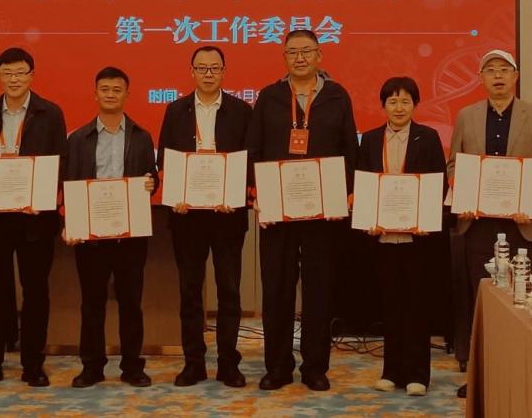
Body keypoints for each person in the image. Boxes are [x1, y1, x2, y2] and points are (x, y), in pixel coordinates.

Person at [246, 29, 359, 392]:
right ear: (284, 57)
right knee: (276, 290)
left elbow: (349, 151)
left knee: (318, 290)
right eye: (292, 52)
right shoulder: (269, 96)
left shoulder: (338, 96)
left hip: (321, 212)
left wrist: (344, 195)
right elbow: (254, 149)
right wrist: (257, 192)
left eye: (306, 51)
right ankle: (277, 367)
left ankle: (315, 367)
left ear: (319, 55)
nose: (299, 58)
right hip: (278, 212)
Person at [448, 49, 532, 396]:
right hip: (478, 225)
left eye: (504, 70)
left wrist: (528, 201)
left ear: (515, 76)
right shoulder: (466, 116)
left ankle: (518, 376)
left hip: (520, 225)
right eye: (490, 70)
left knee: (520, 302)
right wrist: (464, 195)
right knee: (482, 301)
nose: (498, 75)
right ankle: (481, 376)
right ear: (481, 78)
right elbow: (454, 166)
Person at [0, 48, 68, 388]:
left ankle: (33, 364)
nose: (14, 79)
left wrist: (44, 197)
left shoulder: (50, 113)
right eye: (7, 73)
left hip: (35, 220)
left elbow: (60, 162)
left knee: (36, 293)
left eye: (21, 73)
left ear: (32, 75)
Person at [156, 46, 252, 388]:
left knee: (229, 291)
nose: (208, 74)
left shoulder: (241, 111)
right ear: (192, 72)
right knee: (190, 291)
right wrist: (175, 195)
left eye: (214, 68)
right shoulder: (175, 110)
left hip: (228, 216)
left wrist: (236, 194)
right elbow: (165, 159)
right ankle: (193, 363)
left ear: (224, 72)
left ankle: (228, 363)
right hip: (188, 218)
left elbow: (249, 160)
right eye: (202, 68)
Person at [64, 66, 158, 389]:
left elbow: (151, 177)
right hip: (91, 236)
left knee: (131, 303)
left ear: (127, 95)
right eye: (104, 89)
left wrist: (151, 183)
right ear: (95, 94)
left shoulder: (142, 137)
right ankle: (92, 366)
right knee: (92, 303)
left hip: (130, 235)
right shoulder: (77, 139)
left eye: (117, 90)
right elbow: (69, 184)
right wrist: (70, 222)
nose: (110, 95)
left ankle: (132, 366)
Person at [357, 77, 447, 397]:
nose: (399, 107)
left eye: (405, 101)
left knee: (416, 306)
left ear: (415, 105)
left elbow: (439, 183)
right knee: (390, 306)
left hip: (416, 239)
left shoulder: (428, 137)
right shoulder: (370, 140)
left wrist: (426, 218)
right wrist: (368, 218)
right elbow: (363, 181)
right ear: (383, 105)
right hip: (383, 238)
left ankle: (417, 375)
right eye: (392, 101)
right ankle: (391, 372)